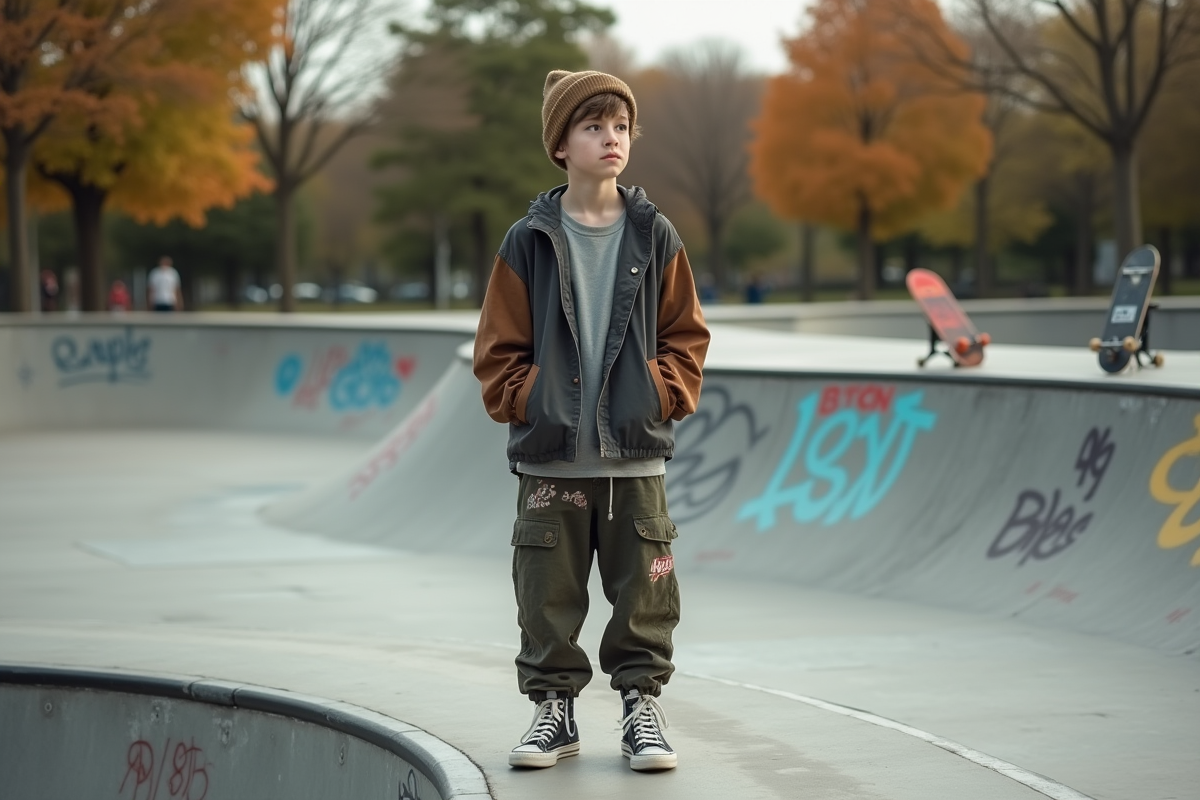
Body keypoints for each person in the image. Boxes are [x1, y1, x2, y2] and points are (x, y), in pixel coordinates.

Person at [472, 70, 710, 773]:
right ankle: (555, 711)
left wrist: (660, 393)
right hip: (552, 462)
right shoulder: (528, 240)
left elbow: (686, 336)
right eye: (593, 126)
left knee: (645, 594)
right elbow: (496, 348)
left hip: (635, 458)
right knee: (547, 596)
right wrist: (529, 399)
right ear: (560, 145)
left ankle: (642, 708)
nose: (612, 138)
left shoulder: (655, 233)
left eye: (621, 127)